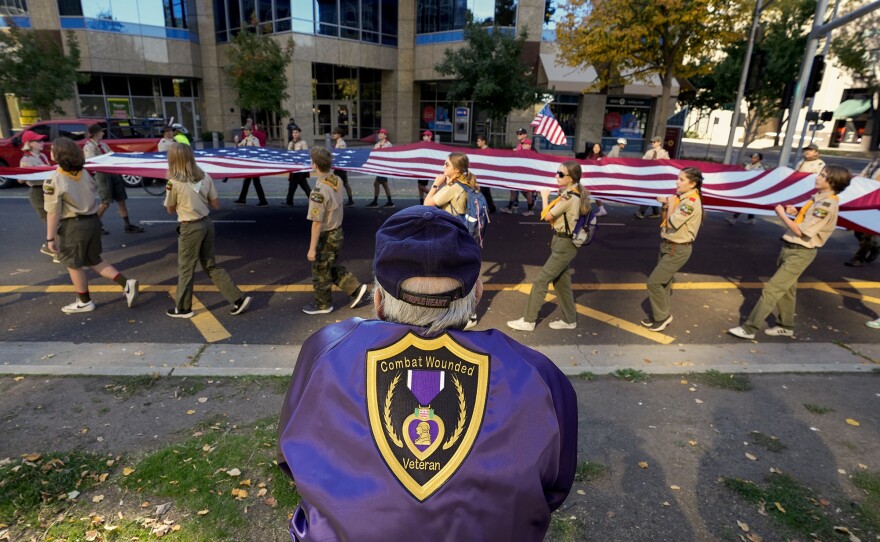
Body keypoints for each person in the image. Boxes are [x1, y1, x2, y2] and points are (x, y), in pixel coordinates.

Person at [277, 205, 577, 542]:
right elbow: (554, 488)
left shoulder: (326, 350)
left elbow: (290, 458)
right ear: (476, 294)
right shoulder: (538, 376)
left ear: (378, 300)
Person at [729, 165, 852, 340]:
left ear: (832, 182)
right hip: (791, 248)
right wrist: (796, 213)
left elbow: (802, 232)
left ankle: (749, 328)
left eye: (822, 175)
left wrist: (781, 215)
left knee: (772, 289)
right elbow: (806, 223)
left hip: (800, 252)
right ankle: (785, 326)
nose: (817, 177)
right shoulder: (818, 200)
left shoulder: (825, 204)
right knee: (787, 290)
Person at [43, 137, 139, 314]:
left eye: (52, 149)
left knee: (73, 264)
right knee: (93, 259)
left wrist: (50, 238)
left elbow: (53, 212)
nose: (49, 152)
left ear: (59, 154)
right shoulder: (85, 173)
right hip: (93, 221)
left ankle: (84, 301)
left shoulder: (55, 179)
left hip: (74, 225)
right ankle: (126, 284)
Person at [163, 143, 252, 318]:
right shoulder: (205, 176)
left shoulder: (173, 183)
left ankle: (183, 308)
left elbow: (170, 209)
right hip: (206, 224)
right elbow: (216, 203)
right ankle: (238, 298)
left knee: (186, 268)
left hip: (189, 227)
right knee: (210, 265)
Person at [507, 160, 590, 331]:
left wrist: (544, 197)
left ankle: (529, 321)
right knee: (561, 283)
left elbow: (547, 216)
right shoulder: (569, 194)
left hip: (564, 244)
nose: (556, 176)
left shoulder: (569, 197)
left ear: (571, 177)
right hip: (561, 241)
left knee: (541, 280)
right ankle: (569, 320)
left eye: (560, 174)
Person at [303, 146, 369, 315]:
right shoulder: (336, 179)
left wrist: (311, 248)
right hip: (337, 231)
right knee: (328, 265)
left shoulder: (318, 192)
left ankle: (323, 305)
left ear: (315, 165)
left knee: (320, 269)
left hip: (327, 235)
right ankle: (355, 288)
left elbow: (317, 223)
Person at [639, 167, 704, 332]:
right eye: (678, 178)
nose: (677, 182)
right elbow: (665, 221)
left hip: (678, 248)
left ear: (693, 183)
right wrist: (666, 205)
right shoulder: (681, 198)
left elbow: (672, 222)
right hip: (668, 244)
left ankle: (662, 317)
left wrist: (670, 203)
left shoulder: (690, 202)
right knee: (664, 283)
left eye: (682, 179)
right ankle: (660, 315)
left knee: (653, 282)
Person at [423, 151, 481, 330]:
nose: (443, 166)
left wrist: (436, 184)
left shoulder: (453, 188)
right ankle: (465, 312)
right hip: (463, 235)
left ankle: (464, 314)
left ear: (456, 170)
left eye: (446, 165)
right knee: (459, 273)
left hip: (451, 236)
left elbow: (427, 204)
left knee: (449, 274)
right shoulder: (464, 184)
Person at [83, 123, 145, 234]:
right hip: (102, 174)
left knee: (121, 199)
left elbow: (112, 155)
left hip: (113, 172)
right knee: (105, 201)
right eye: (101, 131)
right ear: (96, 134)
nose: (103, 133)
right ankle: (94, 226)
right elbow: (90, 161)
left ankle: (127, 225)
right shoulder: (89, 147)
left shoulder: (103, 145)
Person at [17, 130, 54, 259]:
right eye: (38, 141)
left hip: (48, 189)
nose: (42, 143)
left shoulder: (42, 156)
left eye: (42, 140)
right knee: (51, 220)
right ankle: (55, 250)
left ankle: (50, 246)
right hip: (37, 191)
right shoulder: (26, 159)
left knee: (56, 219)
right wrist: (36, 171)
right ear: (29, 144)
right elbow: (21, 179)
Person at [844, 153, 880, 267]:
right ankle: (875, 248)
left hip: (877, 203)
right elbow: (863, 176)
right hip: (867, 199)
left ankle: (859, 258)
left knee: (868, 233)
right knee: (858, 230)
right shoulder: (874, 163)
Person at [634, 136, 670, 219]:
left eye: (654, 142)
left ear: (659, 143)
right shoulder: (649, 152)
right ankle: (655, 212)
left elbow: (668, 165)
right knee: (653, 194)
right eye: (652, 142)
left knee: (650, 194)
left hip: (658, 178)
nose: (652, 143)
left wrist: (659, 162)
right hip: (649, 177)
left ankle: (641, 212)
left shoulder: (664, 153)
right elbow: (642, 162)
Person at [233, 125, 269, 207]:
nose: (245, 132)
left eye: (247, 130)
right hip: (248, 164)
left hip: (254, 164)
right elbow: (237, 148)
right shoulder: (245, 140)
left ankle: (263, 201)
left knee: (256, 182)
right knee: (246, 182)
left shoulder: (254, 139)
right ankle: (242, 199)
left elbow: (258, 150)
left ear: (251, 131)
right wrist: (236, 141)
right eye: (244, 130)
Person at [727, 152, 765, 226]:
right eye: (752, 157)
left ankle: (734, 218)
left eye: (755, 158)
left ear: (759, 159)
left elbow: (757, 178)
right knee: (749, 204)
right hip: (746, 188)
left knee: (743, 203)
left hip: (752, 189)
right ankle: (751, 219)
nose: (753, 159)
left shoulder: (760, 168)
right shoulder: (749, 165)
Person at [502, 135, 536, 215]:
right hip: (519, 175)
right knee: (513, 190)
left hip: (527, 177)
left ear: (529, 145)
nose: (523, 145)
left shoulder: (531, 154)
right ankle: (510, 208)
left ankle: (530, 210)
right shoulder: (522, 152)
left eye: (525, 144)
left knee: (528, 193)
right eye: (522, 144)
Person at [283, 125, 311, 207]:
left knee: (294, 184)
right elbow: (288, 154)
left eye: (296, 132)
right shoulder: (291, 143)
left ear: (299, 133)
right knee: (303, 185)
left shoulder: (303, 143)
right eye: (293, 132)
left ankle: (289, 201)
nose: (295, 134)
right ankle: (313, 200)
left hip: (300, 167)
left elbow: (305, 154)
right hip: (293, 166)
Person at [366, 128, 394, 208]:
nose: (379, 135)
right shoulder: (377, 144)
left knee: (379, 183)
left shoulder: (388, 144)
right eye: (379, 133)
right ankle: (389, 201)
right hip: (379, 167)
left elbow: (390, 154)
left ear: (385, 135)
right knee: (382, 184)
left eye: (382, 133)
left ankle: (377, 202)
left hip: (384, 167)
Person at [331, 126, 355, 207]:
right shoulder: (338, 142)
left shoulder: (341, 143)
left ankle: (338, 200)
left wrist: (334, 156)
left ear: (339, 134)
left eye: (335, 133)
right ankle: (350, 200)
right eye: (333, 133)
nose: (333, 135)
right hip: (339, 166)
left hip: (340, 167)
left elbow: (341, 154)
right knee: (344, 183)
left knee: (335, 183)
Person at [584, 142, 608, 217]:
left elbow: (606, 166)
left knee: (593, 194)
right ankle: (601, 210)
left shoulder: (603, 156)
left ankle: (587, 210)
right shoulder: (589, 155)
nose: (596, 149)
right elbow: (585, 164)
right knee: (588, 194)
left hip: (598, 179)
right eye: (595, 147)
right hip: (589, 178)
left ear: (600, 148)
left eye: (598, 147)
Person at [474, 134, 496, 213]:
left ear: (483, 141)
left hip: (484, 175)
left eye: (479, 141)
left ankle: (478, 209)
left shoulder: (488, 151)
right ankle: (492, 208)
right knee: (486, 193)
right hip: (483, 175)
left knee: (480, 192)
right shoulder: (481, 150)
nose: (477, 142)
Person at [416, 130, 433, 204]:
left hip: (426, 168)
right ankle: (421, 202)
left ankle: (435, 196)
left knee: (422, 187)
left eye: (425, 136)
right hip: (420, 167)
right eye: (423, 136)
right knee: (419, 185)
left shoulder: (432, 146)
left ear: (430, 137)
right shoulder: (422, 144)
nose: (423, 137)